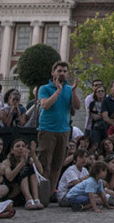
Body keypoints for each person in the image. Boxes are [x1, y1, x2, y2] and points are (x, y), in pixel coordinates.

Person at [36, 61, 80, 194]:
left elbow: (77, 106)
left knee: (57, 165)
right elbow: (45, 105)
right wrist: (58, 90)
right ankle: (41, 193)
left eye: (64, 71)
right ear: (53, 72)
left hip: (64, 130)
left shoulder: (69, 89)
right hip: (48, 129)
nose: (62, 73)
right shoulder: (44, 88)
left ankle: (50, 194)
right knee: (45, 164)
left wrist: (73, 91)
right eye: (59, 71)